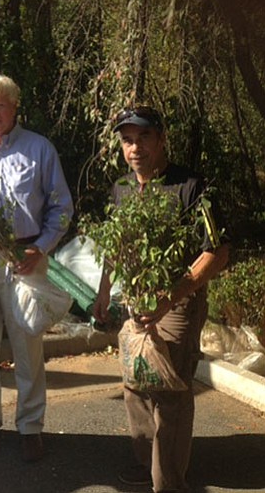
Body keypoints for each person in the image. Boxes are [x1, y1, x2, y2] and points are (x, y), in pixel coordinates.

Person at [93, 106, 230, 492]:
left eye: (144, 138)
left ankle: (168, 481)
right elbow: (116, 247)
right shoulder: (121, 188)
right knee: (136, 382)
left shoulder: (190, 186)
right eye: (127, 140)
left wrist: (171, 297)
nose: (135, 147)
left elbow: (216, 253)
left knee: (169, 391)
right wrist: (104, 292)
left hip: (178, 304)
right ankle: (146, 460)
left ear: (161, 138)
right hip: (135, 302)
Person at [0, 74, 74, 462]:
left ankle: (30, 425)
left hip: (26, 257)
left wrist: (40, 249)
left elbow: (61, 207)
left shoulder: (39, 149)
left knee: (28, 343)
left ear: (14, 106)